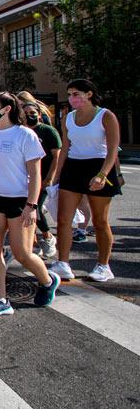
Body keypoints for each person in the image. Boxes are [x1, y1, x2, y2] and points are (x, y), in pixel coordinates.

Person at [0, 92, 60, 317]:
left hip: (20, 200)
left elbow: (35, 174)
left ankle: (47, 280)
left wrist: (32, 206)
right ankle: (1, 300)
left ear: (6, 109)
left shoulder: (26, 135)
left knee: (22, 253)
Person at [50, 80, 121, 282]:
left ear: (89, 94)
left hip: (98, 166)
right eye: (70, 94)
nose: (72, 98)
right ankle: (62, 263)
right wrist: (56, 175)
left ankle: (103, 266)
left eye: (76, 94)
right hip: (73, 166)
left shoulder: (105, 115)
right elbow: (65, 147)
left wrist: (102, 174)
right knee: (64, 219)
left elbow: (113, 149)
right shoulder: (68, 118)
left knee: (100, 221)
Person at [22, 102, 61, 259]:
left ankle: (47, 236)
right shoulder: (21, 131)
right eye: (25, 113)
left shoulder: (48, 131)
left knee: (35, 209)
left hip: (42, 178)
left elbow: (56, 156)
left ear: (38, 114)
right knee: (24, 212)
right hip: (24, 178)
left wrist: (50, 177)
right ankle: (33, 243)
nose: (29, 115)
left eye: (32, 112)